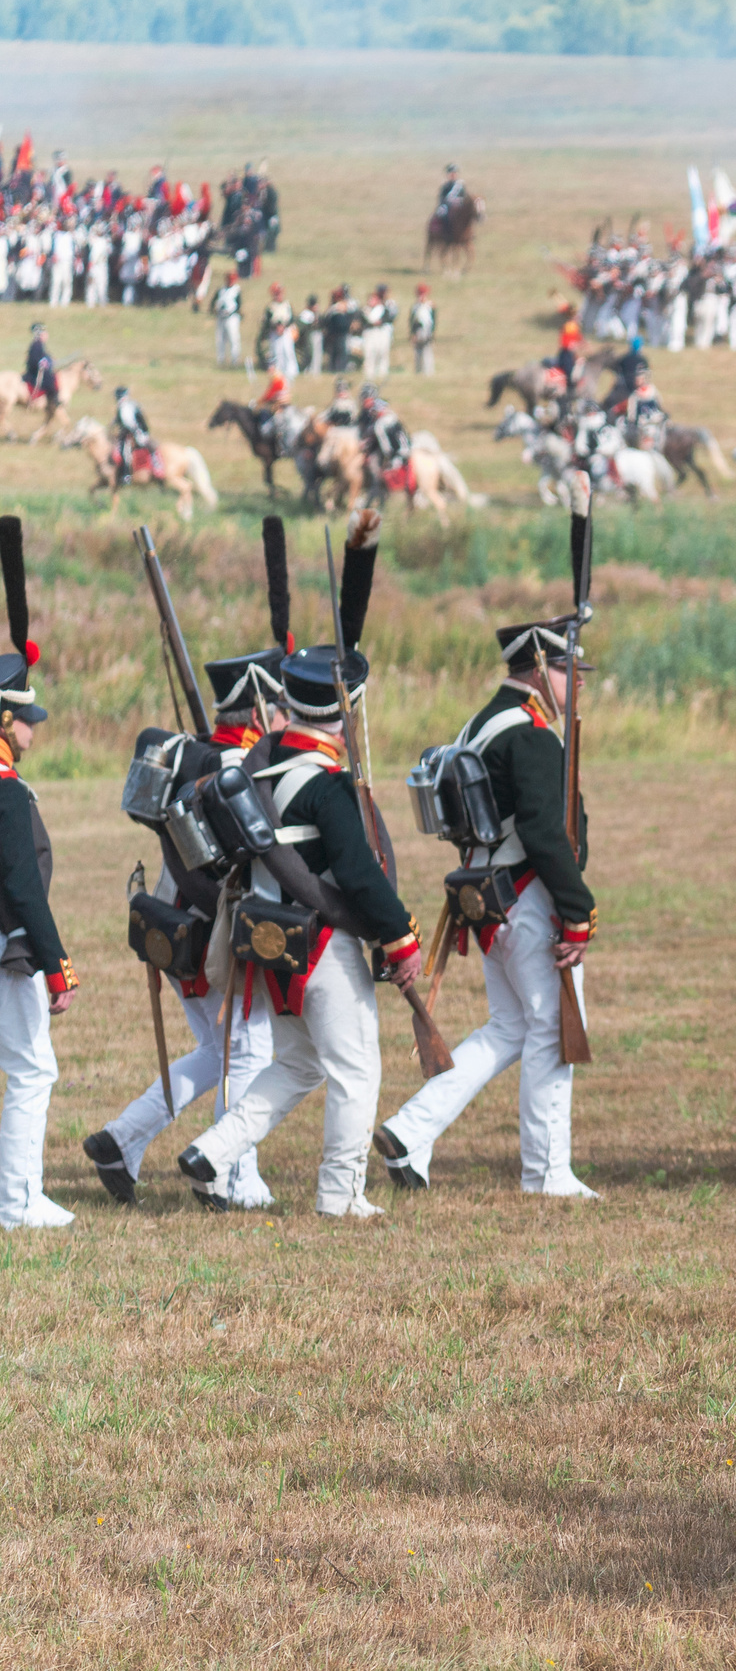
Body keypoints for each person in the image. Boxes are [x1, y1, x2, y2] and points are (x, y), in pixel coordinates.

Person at [176, 601, 424, 1217]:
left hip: (270, 938)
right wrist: (400, 939)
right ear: (345, 708)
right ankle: (340, 1195)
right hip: (319, 946)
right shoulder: (325, 785)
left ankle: (212, 1151)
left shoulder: (267, 759)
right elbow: (362, 878)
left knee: (299, 1064)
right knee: (357, 1068)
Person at [374, 607, 600, 1199]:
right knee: (549, 1030)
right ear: (541, 666)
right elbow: (546, 833)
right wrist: (577, 910)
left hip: (489, 898)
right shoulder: (528, 734)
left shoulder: (483, 722)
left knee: (510, 1028)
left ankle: (410, 1129)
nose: (578, 683)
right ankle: (547, 1174)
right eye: (569, 670)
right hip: (527, 897)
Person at [84, 647, 288, 1208]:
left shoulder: (200, 757)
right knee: (247, 1053)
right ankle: (231, 1175)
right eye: (277, 707)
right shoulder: (232, 770)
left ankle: (120, 1141)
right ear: (257, 711)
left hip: (175, 928)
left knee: (218, 1050)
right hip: (210, 936)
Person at [0, 526, 77, 1230]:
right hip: (8, 953)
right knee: (32, 1070)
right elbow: (22, 889)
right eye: (25, 719)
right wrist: (56, 966)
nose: (33, 728)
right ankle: (19, 1202)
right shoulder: (8, 793)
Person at [111, 384, 157, 483]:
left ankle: (126, 474)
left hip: (136, 434)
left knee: (124, 451)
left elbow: (129, 423)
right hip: (136, 432)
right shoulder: (128, 405)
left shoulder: (125, 406)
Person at [20, 323, 56, 422]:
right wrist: (43, 363)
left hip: (37, 371)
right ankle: (52, 403)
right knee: (50, 382)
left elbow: (45, 357)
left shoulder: (40, 345)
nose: (47, 335)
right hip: (34, 374)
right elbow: (34, 360)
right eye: (44, 333)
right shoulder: (36, 345)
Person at [359, 283, 395, 382]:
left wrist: (379, 322)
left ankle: (382, 373)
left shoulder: (383, 309)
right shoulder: (365, 311)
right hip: (369, 334)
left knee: (382, 353)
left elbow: (387, 319)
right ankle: (369, 374)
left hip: (380, 334)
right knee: (369, 355)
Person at [212, 270, 242, 368]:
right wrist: (215, 309)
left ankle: (235, 359)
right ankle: (221, 358)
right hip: (221, 317)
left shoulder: (236, 290)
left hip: (231, 317)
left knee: (233, 338)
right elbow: (214, 301)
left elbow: (239, 304)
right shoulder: (221, 290)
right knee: (220, 339)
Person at [409, 283, 435, 376]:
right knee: (417, 353)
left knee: (427, 352)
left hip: (426, 331)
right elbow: (412, 321)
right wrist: (412, 334)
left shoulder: (429, 306)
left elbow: (433, 320)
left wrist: (431, 333)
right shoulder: (415, 307)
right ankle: (418, 371)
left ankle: (428, 372)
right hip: (417, 331)